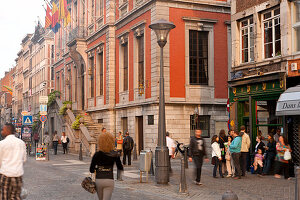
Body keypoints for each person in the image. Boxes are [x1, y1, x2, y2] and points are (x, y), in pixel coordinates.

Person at [90, 132, 123, 200]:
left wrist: (97, 168)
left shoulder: (97, 154)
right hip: (109, 180)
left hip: (99, 180)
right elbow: (120, 167)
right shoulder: (114, 154)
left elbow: (91, 169)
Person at [0, 123, 26, 199]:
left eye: (3, 130)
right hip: (18, 176)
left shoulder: (2, 144)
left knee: (4, 197)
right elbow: (24, 160)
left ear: (8, 131)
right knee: (16, 197)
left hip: (5, 175)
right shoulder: (21, 143)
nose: (2, 131)